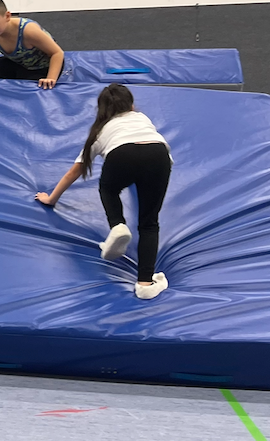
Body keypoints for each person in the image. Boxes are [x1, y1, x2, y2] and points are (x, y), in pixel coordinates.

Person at [35, 84, 172, 300]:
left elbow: (74, 172)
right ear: (132, 105)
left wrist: (51, 199)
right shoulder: (142, 118)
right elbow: (146, 150)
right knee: (149, 223)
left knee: (108, 189)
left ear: (102, 110)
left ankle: (117, 225)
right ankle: (145, 282)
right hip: (159, 154)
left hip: (121, 155)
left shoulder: (100, 130)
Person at [0, 0, 65, 89]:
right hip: (20, 63)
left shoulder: (28, 31)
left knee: (27, 87)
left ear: (7, 16)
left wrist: (51, 78)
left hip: (43, 66)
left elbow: (57, 53)